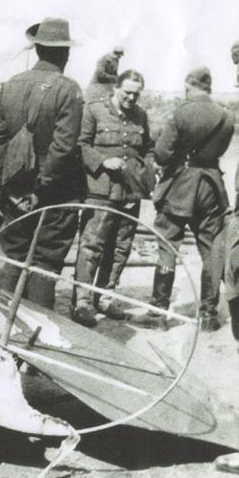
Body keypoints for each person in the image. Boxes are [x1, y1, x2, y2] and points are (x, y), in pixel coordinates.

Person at [0, 17, 86, 310]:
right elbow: (64, 147)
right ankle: (39, 336)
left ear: (38, 50)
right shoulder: (68, 90)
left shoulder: (8, 86)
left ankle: (5, 327)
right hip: (56, 195)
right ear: (65, 54)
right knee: (45, 262)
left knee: (15, 256)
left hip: (15, 194)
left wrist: (13, 188)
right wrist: (40, 190)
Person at [131, 68, 236, 331]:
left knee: (167, 247)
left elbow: (164, 155)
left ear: (189, 87)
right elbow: (219, 151)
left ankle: (158, 314)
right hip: (212, 188)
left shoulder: (181, 113)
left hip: (179, 189)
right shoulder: (226, 117)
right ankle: (209, 315)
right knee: (212, 251)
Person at [71, 70, 155, 327]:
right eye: (127, 92)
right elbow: (81, 145)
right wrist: (103, 161)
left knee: (120, 247)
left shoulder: (140, 115)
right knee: (92, 245)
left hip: (130, 192)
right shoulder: (95, 110)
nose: (131, 97)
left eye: (136, 93)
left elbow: (148, 148)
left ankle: (104, 297)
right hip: (101, 191)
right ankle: (82, 302)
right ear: (116, 88)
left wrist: (147, 170)